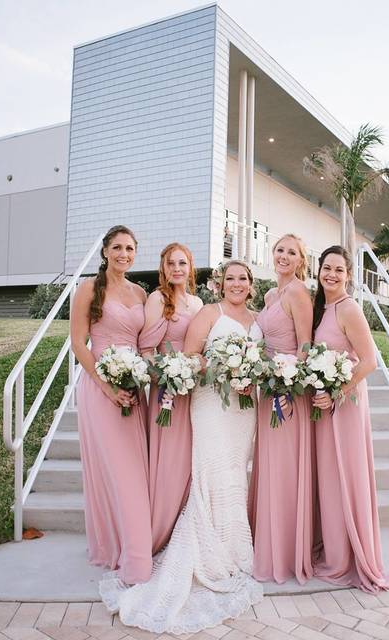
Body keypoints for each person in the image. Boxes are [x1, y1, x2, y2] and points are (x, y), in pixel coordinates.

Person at [100, 261, 264, 633]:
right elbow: (191, 357)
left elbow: (264, 360)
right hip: (210, 403)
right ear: (220, 284)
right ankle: (207, 551)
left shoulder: (259, 318)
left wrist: (248, 373)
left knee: (235, 471)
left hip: (244, 408)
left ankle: (235, 547)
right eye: (230, 278)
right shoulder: (209, 312)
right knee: (211, 468)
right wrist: (226, 367)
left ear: (252, 285)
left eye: (243, 278)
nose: (236, 284)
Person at [70, 225, 151, 583]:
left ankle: (131, 543)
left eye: (130, 248)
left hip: (135, 389)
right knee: (120, 471)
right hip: (101, 390)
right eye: (117, 247)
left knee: (137, 471)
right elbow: (78, 344)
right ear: (105, 251)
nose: (123, 254)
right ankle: (131, 555)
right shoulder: (89, 288)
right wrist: (106, 386)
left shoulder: (140, 292)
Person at [310, 246, 389, 593]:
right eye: (326, 268)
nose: (331, 274)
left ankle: (347, 557)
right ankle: (333, 548)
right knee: (328, 478)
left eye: (338, 270)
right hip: (325, 404)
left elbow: (369, 361)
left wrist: (337, 392)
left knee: (345, 475)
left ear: (349, 276)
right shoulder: (323, 308)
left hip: (345, 404)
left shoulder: (349, 308)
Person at [249, 234, 316, 584]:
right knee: (270, 467)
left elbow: (305, 344)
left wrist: (287, 383)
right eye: (280, 250)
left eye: (292, 252)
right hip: (267, 390)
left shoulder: (298, 293)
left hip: (287, 395)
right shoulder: (271, 295)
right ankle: (267, 542)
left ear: (301, 260)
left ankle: (286, 553)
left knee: (285, 469)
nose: (284, 256)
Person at [139, 243, 203, 554]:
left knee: (191, 460)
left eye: (182, 263)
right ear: (163, 269)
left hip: (193, 393)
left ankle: (184, 533)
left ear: (190, 267)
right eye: (170, 264)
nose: (176, 268)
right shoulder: (156, 299)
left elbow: (202, 348)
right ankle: (158, 529)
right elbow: (146, 349)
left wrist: (192, 372)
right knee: (167, 461)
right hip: (165, 392)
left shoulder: (198, 302)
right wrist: (165, 377)